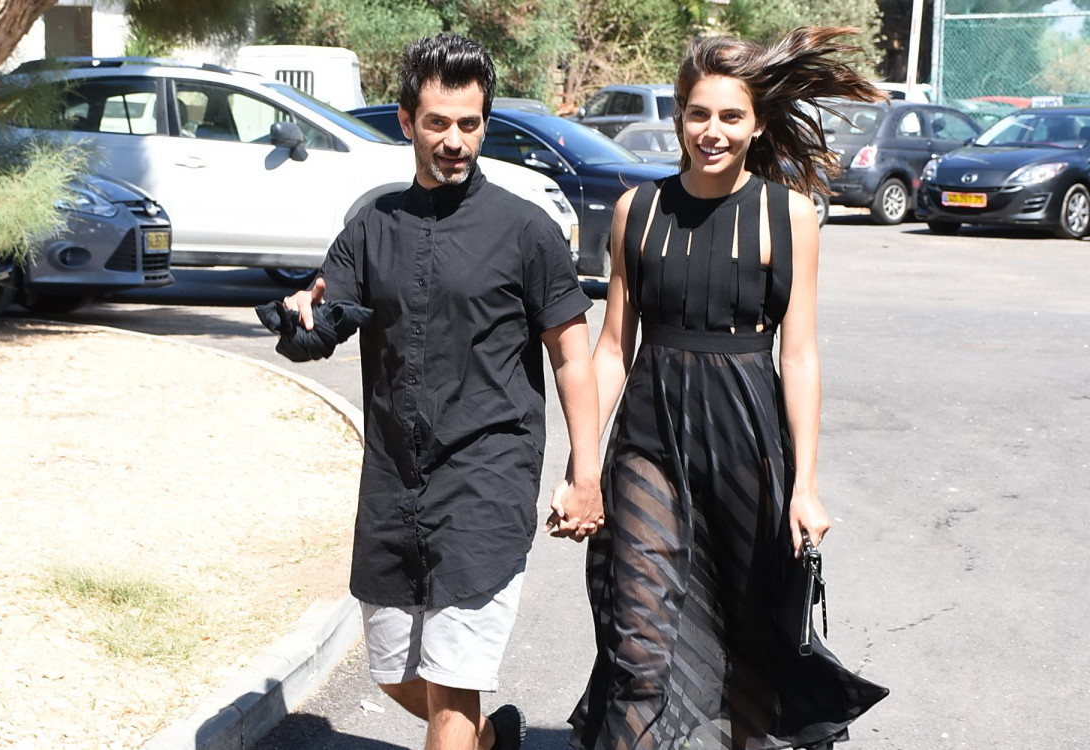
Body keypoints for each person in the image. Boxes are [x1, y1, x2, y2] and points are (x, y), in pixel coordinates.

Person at [566, 27, 890, 750]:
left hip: (748, 446)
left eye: (730, 116)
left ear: (758, 124)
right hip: (649, 442)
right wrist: (582, 468)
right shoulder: (636, 211)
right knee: (638, 641)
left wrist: (805, 487)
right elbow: (612, 348)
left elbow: (798, 357)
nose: (711, 131)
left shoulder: (789, 215)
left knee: (752, 646)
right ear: (680, 116)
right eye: (698, 114)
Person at [283, 34, 603, 750]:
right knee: (396, 673)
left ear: (485, 124)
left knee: (454, 682)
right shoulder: (372, 227)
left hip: (488, 475)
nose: (455, 141)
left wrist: (586, 473)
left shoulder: (526, 230)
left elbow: (571, 356)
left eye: (469, 123)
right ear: (407, 121)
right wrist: (300, 314)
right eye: (437, 123)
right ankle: (490, 742)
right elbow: (322, 326)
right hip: (394, 481)